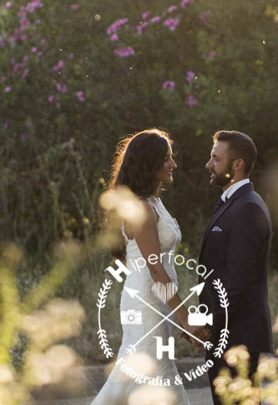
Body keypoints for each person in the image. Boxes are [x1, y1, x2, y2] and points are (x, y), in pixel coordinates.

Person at [92, 129, 193, 405]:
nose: (173, 164)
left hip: (155, 302)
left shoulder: (152, 202)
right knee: (155, 371)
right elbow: (156, 270)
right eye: (166, 159)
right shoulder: (143, 208)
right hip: (147, 302)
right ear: (149, 163)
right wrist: (186, 318)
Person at [196, 130, 273, 405]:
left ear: (237, 164)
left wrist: (203, 322)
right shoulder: (233, 204)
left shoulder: (248, 208)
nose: (209, 164)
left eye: (216, 159)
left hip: (237, 338)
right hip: (226, 335)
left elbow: (235, 281)